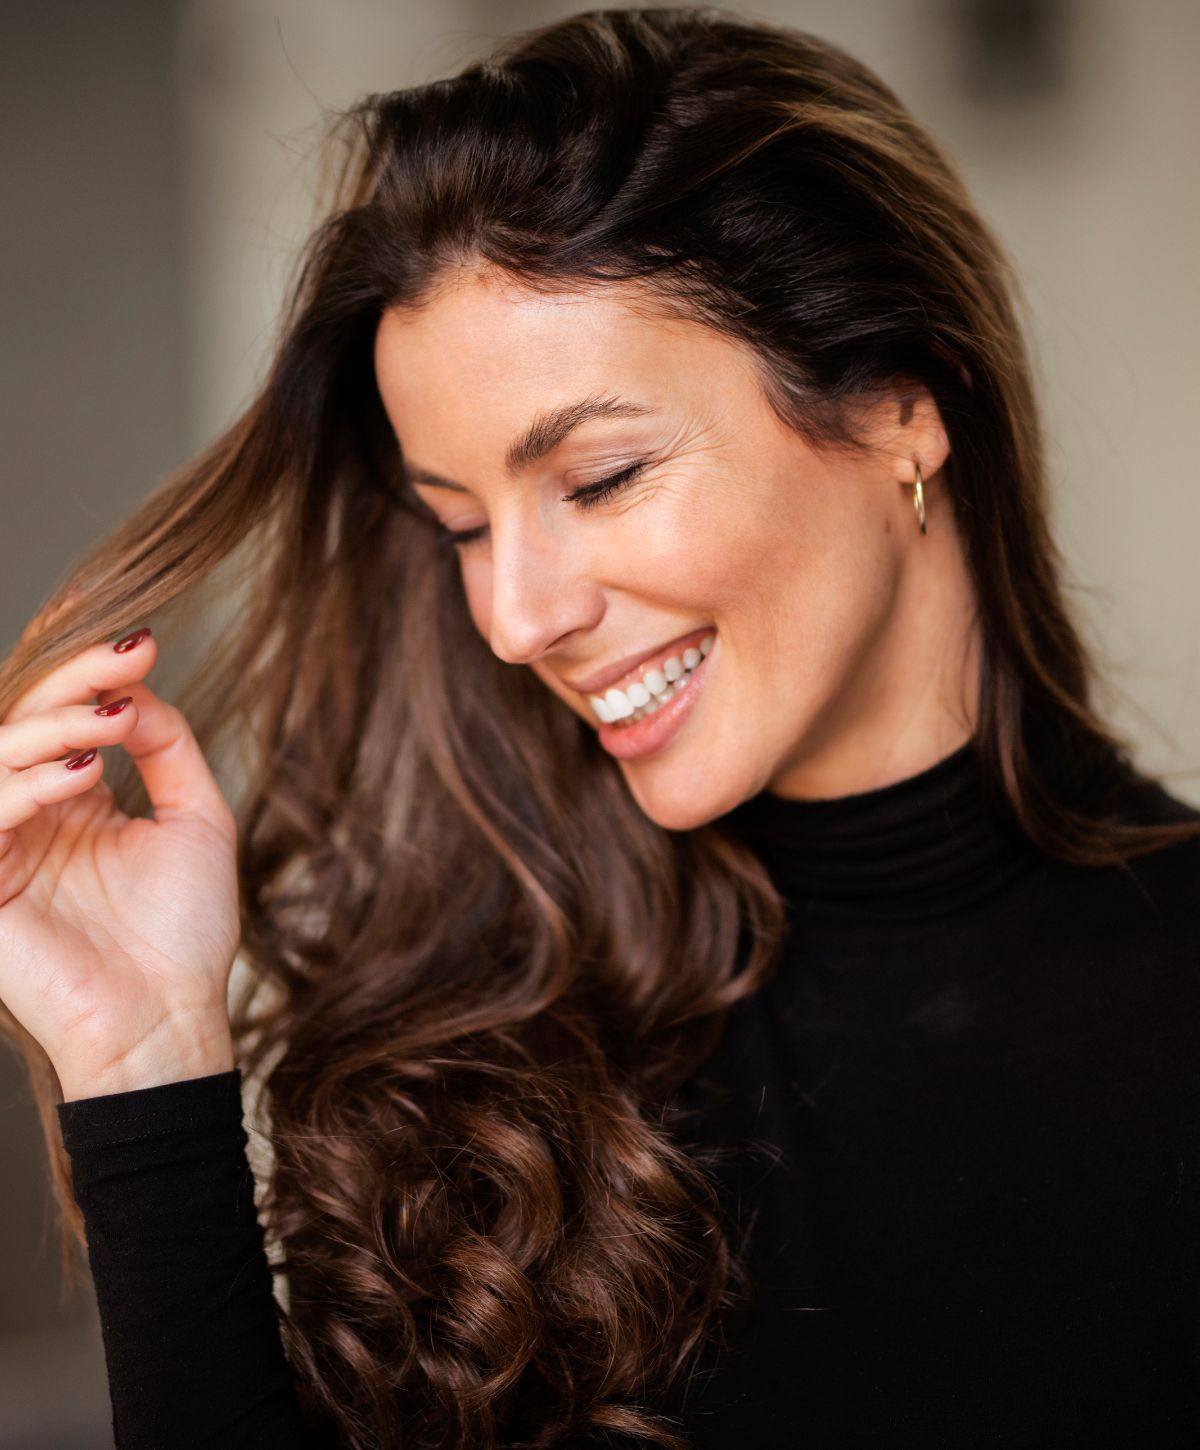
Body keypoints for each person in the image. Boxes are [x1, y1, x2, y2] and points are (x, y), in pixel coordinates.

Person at [1, 7, 1198, 1448]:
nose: (515, 619)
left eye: (603, 474)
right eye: (459, 525)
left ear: (899, 403)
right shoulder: (487, 1034)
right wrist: (144, 1062)